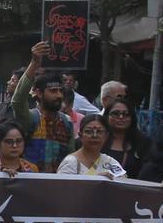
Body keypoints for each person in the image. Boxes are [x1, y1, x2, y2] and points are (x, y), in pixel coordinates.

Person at [13, 42, 74, 173]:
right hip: (30, 184)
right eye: (53, 91)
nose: (58, 95)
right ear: (39, 93)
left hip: (58, 185)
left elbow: (72, 158)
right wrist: (34, 63)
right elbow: (17, 101)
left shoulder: (67, 122)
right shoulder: (30, 118)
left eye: (60, 91)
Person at [57, 114, 126, 178]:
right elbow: (63, 189)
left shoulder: (109, 162)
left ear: (106, 136)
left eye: (99, 131)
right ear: (80, 135)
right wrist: (95, 180)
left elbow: (123, 185)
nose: (94, 136)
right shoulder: (70, 162)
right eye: (88, 131)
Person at [101, 99, 147, 178]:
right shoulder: (96, 139)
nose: (121, 117)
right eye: (115, 113)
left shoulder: (144, 142)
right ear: (107, 116)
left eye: (126, 114)